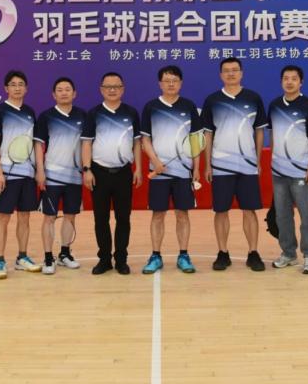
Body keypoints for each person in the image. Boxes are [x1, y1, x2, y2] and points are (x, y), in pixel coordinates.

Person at [201, 57, 269, 272]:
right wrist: (207, 164)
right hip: (220, 165)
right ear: (220, 75)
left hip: (247, 165)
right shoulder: (212, 100)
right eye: (226, 70)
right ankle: (223, 253)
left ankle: (253, 253)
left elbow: (259, 131)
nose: (231, 73)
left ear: (241, 73)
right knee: (221, 211)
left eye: (234, 70)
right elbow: (207, 134)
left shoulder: (253, 98)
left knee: (250, 210)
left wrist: (258, 160)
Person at [140, 65, 201, 275]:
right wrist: (155, 161)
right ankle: (155, 255)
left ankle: (183, 255)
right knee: (158, 214)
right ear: (160, 84)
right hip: (159, 173)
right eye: (167, 81)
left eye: (175, 80)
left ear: (181, 83)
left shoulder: (189, 106)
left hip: (183, 173)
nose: (171, 84)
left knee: (182, 214)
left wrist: (196, 168)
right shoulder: (151, 107)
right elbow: (145, 139)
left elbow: (195, 140)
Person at [81, 72, 142, 275]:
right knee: (101, 219)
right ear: (101, 90)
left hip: (123, 173)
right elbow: (86, 143)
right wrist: (87, 169)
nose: (112, 90)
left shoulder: (131, 113)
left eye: (116, 86)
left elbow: (136, 143)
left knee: (123, 218)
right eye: (108, 86)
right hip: (99, 173)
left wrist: (138, 168)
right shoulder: (94, 114)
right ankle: (104, 259)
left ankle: (121, 260)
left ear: (123, 89)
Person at [266, 64, 308, 274]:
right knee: (282, 216)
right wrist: (273, 159)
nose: (289, 82)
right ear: (281, 81)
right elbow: (273, 135)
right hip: (279, 172)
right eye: (286, 78)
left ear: (301, 82)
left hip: (301, 171)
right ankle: (288, 253)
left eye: (294, 78)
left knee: (307, 216)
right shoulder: (274, 105)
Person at [0, 70, 41, 279]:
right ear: (6, 88)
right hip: (7, 174)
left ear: (26, 88)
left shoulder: (29, 112)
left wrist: (37, 170)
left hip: (27, 173)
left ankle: (22, 257)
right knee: (3, 218)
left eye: (21, 84)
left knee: (25, 217)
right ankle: (0, 260)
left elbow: (33, 143)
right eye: (13, 84)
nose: (17, 88)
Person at [33, 77, 86, 275]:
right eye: (60, 90)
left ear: (74, 93)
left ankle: (65, 253)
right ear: (54, 95)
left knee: (70, 216)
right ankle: (48, 257)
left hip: (74, 177)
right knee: (49, 217)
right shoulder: (46, 117)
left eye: (67, 89)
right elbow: (38, 145)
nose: (64, 92)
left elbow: (87, 145)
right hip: (51, 176)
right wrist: (40, 171)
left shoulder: (83, 116)